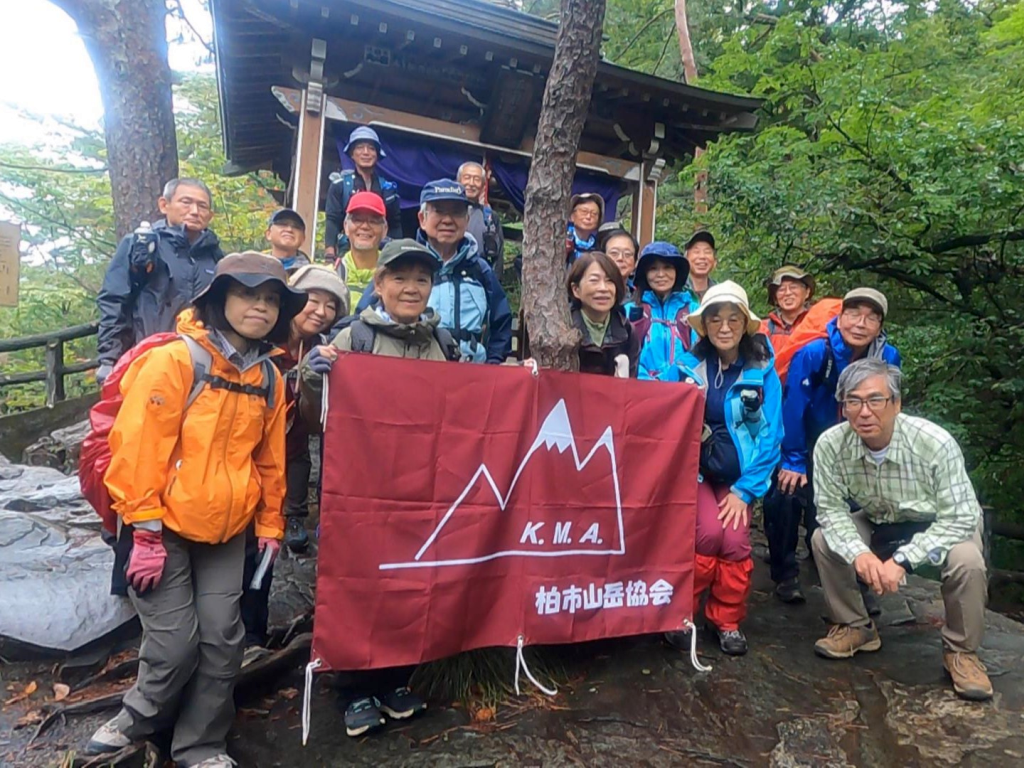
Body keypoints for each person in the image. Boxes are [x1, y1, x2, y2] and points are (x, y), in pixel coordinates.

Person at [84, 252, 308, 767]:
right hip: (158, 527)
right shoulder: (176, 361)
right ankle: (136, 719)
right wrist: (142, 532)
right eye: (249, 294)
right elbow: (138, 449)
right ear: (219, 298)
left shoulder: (270, 379)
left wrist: (271, 526)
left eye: (272, 299)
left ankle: (200, 743)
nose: (261, 307)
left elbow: (271, 462)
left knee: (224, 643)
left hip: (228, 531)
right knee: (172, 645)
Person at [300, 239, 450, 737]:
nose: (411, 288)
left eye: (422, 279)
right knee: (358, 578)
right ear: (379, 284)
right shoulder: (352, 339)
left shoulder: (441, 343)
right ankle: (354, 687)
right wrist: (312, 378)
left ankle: (395, 679)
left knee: (412, 580)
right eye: (400, 278)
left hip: (423, 485)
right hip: (361, 485)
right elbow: (312, 418)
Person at [811, 359, 991, 701]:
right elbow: (831, 510)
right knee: (824, 540)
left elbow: (961, 516)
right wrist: (859, 553)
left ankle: (961, 652)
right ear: (844, 407)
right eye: (854, 401)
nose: (865, 412)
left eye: (875, 400)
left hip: (939, 521)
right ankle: (856, 626)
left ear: (896, 404)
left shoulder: (934, 442)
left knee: (967, 560)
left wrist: (903, 561)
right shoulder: (831, 445)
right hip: (879, 518)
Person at [661, 282, 782, 655]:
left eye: (733, 319)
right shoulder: (686, 366)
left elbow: (772, 434)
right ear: (705, 326)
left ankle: (726, 619)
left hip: (739, 480)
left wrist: (746, 491)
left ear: (745, 324)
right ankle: (683, 614)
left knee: (734, 541)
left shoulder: (761, 371)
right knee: (708, 535)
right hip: (695, 474)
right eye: (715, 319)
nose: (724, 327)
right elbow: (655, 402)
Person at [769, 288, 901, 603]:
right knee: (786, 496)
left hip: (858, 444)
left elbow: (891, 404)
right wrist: (794, 459)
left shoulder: (887, 357)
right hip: (809, 438)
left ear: (880, 326)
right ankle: (785, 573)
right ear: (839, 318)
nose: (860, 323)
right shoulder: (815, 353)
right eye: (854, 314)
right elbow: (794, 405)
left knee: (857, 506)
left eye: (871, 318)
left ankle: (855, 575)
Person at [241, 265, 348, 652]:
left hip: (287, 452)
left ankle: (254, 633)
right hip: (240, 456)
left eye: (331, 305)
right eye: (313, 300)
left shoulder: (324, 350)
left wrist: (315, 380)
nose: (320, 311)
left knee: (268, 539)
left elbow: (317, 420)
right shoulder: (261, 336)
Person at [353, 180, 512, 364]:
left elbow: (501, 323)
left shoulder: (480, 270)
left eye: (456, 212)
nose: (448, 220)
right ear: (422, 219)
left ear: (467, 220)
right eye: (439, 210)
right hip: (412, 374)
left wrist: (493, 364)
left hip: (472, 378)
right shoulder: (400, 263)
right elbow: (362, 318)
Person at [96, 178, 224, 382]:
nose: (194, 211)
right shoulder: (140, 246)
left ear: (210, 215)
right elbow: (114, 300)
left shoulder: (217, 257)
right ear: (164, 205)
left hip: (204, 366)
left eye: (202, 206)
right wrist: (109, 359)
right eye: (186, 202)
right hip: (148, 359)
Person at [324, 126, 401, 260]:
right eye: (360, 147)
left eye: (371, 148)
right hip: (347, 251)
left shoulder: (388, 189)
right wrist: (330, 254)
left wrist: (397, 254)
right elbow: (332, 220)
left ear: (377, 154)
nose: (366, 152)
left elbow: (395, 224)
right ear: (352, 154)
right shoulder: (340, 185)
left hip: (381, 254)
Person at [629, 241, 698, 381]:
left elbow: (699, 352)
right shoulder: (631, 310)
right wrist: (646, 381)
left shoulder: (693, 310)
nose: (661, 274)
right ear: (645, 274)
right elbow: (625, 352)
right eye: (653, 268)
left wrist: (670, 376)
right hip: (640, 390)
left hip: (682, 388)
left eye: (667, 267)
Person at [567, 251, 639, 377]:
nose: (603, 288)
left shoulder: (627, 331)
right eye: (594, 281)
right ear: (576, 290)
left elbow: (631, 385)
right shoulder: (563, 327)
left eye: (610, 281)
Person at [335, 191, 387, 312]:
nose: (365, 226)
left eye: (373, 221)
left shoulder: (393, 275)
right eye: (357, 220)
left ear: (385, 230)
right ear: (346, 227)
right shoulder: (330, 274)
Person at [458, 161, 505, 279]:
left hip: (479, 279)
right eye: (467, 178)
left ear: (484, 185)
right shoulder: (446, 212)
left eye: (477, 179)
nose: (471, 183)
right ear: (458, 181)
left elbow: (498, 258)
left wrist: (494, 284)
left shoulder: (489, 216)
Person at [760, 265, 815, 353]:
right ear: (775, 298)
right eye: (781, 289)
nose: (788, 293)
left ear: (807, 292)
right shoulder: (763, 329)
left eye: (793, 287)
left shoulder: (819, 324)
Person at [264, 208, 311, 274]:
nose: (289, 229)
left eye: (296, 226)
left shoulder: (311, 274)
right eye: (282, 224)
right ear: (268, 234)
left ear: (303, 239)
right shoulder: (255, 268)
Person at [598, 226, 639, 298]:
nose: (620, 258)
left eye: (627, 254)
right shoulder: (592, 291)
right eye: (614, 253)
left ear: (635, 262)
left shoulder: (640, 296)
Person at [565, 193, 604, 264]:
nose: (588, 217)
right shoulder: (561, 238)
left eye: (594, 214)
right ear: (572, 216)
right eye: (584, 212)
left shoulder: (598, 247)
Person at [684, 230, 717, 300]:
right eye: (696, 252)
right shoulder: (676, 292)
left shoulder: (720, 293)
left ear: (715, 261)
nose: (702, 256)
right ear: (686, 259)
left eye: (707, 252)